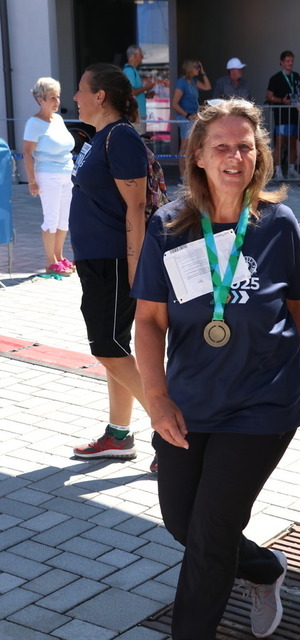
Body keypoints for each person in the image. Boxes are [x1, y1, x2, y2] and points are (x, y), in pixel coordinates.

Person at [131, 98, 300, 640]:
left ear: (258, 155)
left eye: (244, 146)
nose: (234, 156)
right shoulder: (169, 226)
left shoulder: (277, 223)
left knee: (211, 535)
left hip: (263, 403)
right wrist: (156, 399)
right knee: (182, 523)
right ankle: (263, 569)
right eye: (221, 146)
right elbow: (149, 321)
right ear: (197, 155)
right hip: (189, 401)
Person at [70, 63, 148, 459]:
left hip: (114, 261)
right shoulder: (100, 137)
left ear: (100, 97)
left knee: (107, 347)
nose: (75, 97)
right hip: (96, 260)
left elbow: (136, 208)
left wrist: (135, 268)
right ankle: (119, 435)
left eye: (81, 90)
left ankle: (174, 430)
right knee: (116, 349)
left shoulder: (121, 138)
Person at [23, 77, 75, 276]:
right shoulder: (33, 123)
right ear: (40, 100)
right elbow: (27, 153)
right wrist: (32, 181)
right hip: (47, 175)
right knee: (51, 219)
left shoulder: (58, 120)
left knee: (64, 219)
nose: (57, 101)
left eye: (58, 97)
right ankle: (49, 261)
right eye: (52, 98)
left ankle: (59, 256)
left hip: (67, 174)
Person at [171, 59, 211, 182]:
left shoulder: (193, 81)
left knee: (192, 146)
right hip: (185, 118)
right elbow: (174, 103)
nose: (198, 69)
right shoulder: (181, 82)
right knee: (185, 147)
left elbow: (207, 87)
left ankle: (188, 176)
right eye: (196, 67)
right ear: (189, 68)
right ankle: (182, 176)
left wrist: (203, 72)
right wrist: (187, 115)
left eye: (199, 67)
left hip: (193, 117)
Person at [266, 50, 300, 180]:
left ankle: (291, 170)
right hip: (281, 115)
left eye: (292, 61)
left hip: (294, 114)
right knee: (280, 143)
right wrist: (282, 100)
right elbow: (269, 96)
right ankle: (278, 171)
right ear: (281, 62)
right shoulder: (275, 78)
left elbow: (299, 91)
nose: (290, 63)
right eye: (287, 61)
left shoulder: (296, 76)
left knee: (293, 142)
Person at [123, 45, 155, 135]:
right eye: (141, 54)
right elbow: (130, 92)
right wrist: (146, 88)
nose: (142, 57)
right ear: (135, 55)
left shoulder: (132, 70)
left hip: (137, 115)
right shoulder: (130, 70)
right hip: (136, 115)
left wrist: (145, 95)